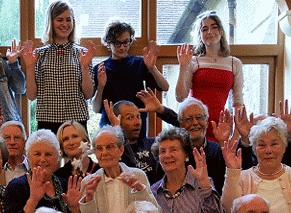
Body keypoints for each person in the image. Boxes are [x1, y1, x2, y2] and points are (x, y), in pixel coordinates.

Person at [3, 129, 85, 213]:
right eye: (37, 154)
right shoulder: (17, 187)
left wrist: (75, 209)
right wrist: (33, 201)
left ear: (57, 158)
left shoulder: (66, 185)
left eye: (48, 154)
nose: (42, 159)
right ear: (28, 156)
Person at [78, 126, 157, 213]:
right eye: (99, 148)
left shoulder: (138, 176)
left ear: (121, 150)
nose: (104, 153)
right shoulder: (89, 183)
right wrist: (89, 199)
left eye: (109, 147)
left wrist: (139, 189)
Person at [21, 0, 93, 131]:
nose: (65, 24)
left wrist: (85, 67)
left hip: (76, 122)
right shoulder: (39, 54)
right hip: (47, 122)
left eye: (68, 20)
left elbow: (88, 94)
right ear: (51, 22)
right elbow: (31, 96)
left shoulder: (82, 53)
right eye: (60, 20)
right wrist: (30, 68)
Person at [91, 20, 170, 134]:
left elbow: (165, 87)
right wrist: (101, 86)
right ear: (109, 43)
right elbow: (95, 108)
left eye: (126, 42)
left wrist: (152, 68)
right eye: (117, 43)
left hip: (136, 126)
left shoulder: (139, 63)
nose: (122, 47)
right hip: (110, 126)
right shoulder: (100, 69)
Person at [175, 11, 243, 141]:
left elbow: (238, 103)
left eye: (214, 27)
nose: (209, 32)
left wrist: (236, 135)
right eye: (204, 29)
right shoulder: (193, 61)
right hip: (194, 125)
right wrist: (183, 66)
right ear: (200, 35)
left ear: (221, 31)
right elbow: (180, 97)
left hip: (220, 127)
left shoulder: (234, 63)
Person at [104, 89, 180, 185]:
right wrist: (118, 131)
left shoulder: (153, 144)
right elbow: (132, 171)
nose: (137, 122)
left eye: (138, 117)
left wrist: (162, 110)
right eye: (130, 118)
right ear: (116, 122)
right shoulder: (112, 153)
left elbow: (187, 129)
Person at [54, 120, 99, 185]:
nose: (71, 142)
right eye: (65, 139)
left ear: (85, 140)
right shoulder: (58, 177)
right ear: (61, 146)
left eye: (75, 136)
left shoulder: (101, 170)